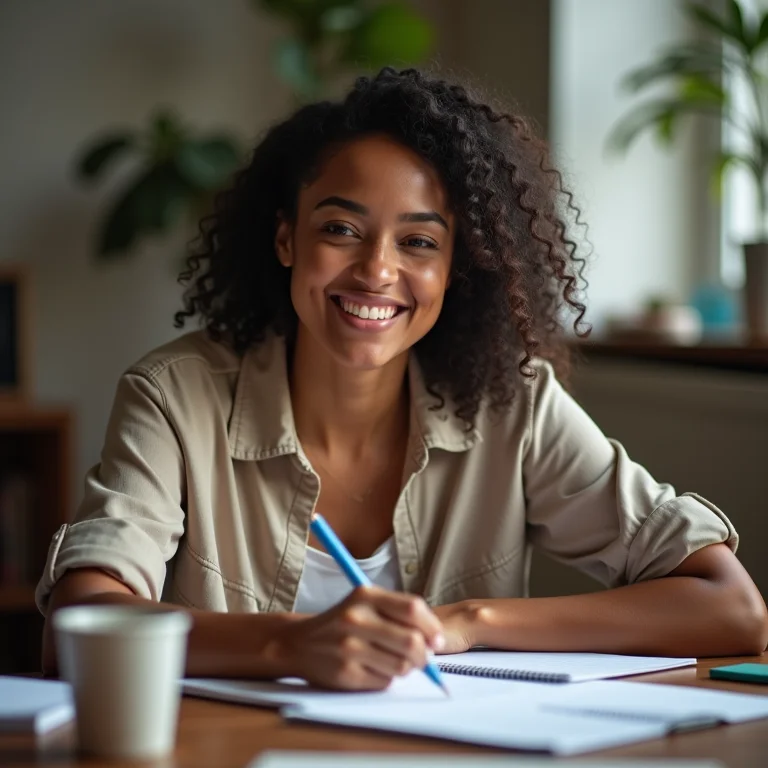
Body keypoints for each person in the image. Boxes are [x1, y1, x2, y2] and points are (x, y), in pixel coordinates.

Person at [38, 68, 767, 690]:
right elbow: (80, 621)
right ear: (287, 236)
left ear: (456, 270)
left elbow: (731, 606)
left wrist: (467, 623)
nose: (378, 271)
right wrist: (291, 644)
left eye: (419, 242)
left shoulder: (513, 403)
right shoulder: (175, 396)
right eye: (341, 229)